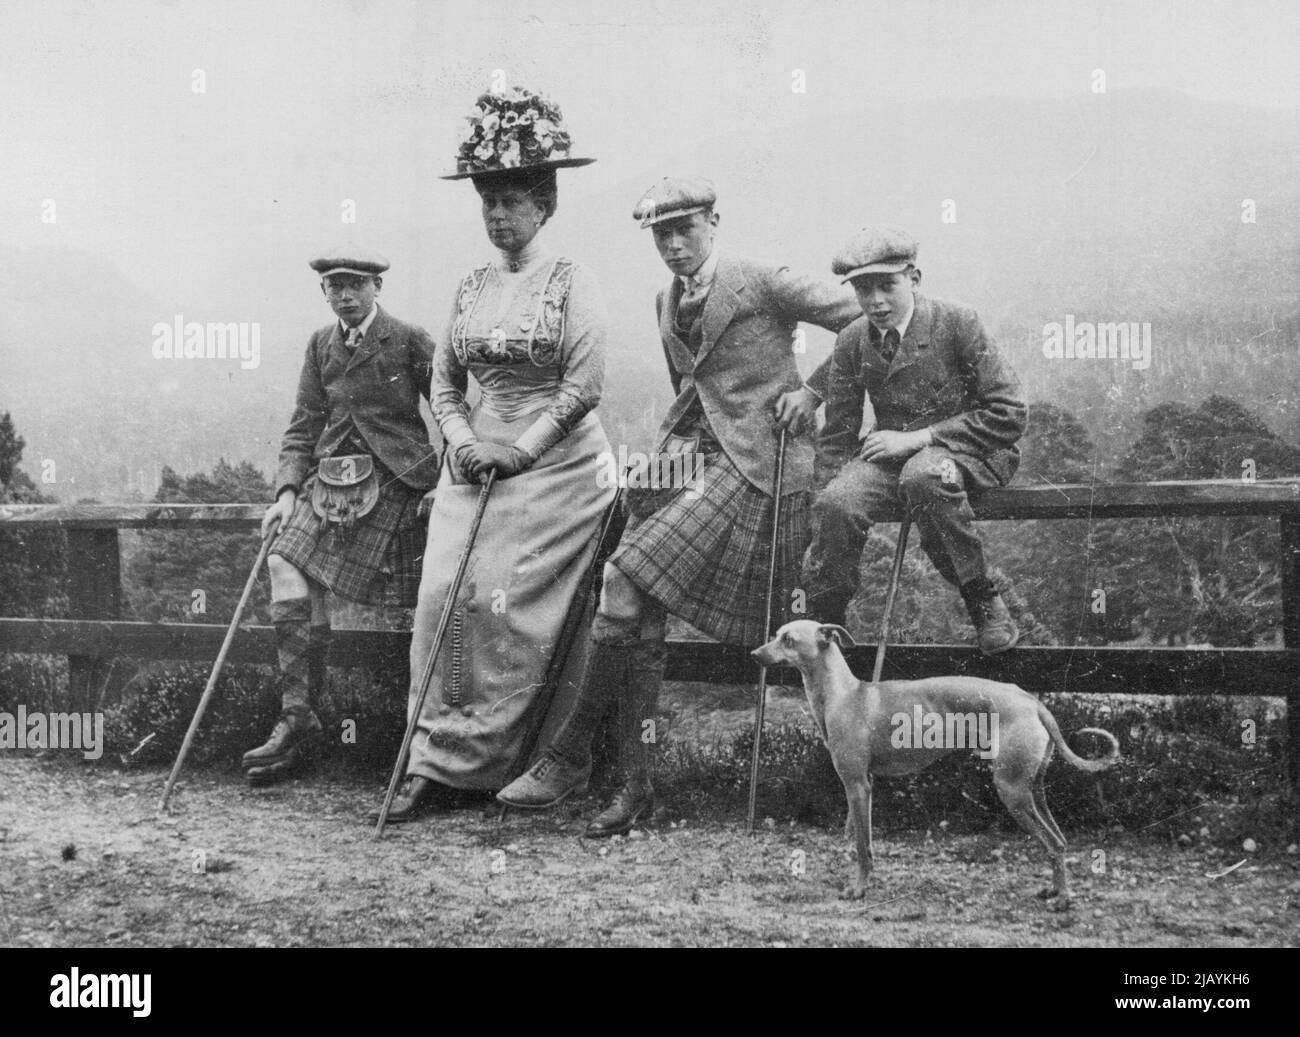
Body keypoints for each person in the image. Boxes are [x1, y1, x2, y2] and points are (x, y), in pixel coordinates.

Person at [498, 176, 860, 835]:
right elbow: (695, 397)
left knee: (623, 575)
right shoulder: (666, 301)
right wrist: (657, 462)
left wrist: (812, 391)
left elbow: (863, 316)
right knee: (633, 603)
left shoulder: (760, 279)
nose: (672, 244)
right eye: (660, 234)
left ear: (714, 221)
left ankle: (570, 752)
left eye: (684, 228)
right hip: (698, 457)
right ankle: (634, 786)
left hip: (764, 464)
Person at [381, 86, 616, 822]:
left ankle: (523, 759)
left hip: (561, 468)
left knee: (505, 607)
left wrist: (521, 450)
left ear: (544, 205)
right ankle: (434, 760)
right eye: (487, 201)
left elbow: (583, 388)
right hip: (477, 459)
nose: (497, 215)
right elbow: (444, 382)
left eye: (512, 200)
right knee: (439, 601)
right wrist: (463, 443)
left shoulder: (574, 281)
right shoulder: (470, 286)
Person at [243, 247, 439, 784]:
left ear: (377, 286)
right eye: (335, 287)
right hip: (326, 484)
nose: (345, 296)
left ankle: (426, 743)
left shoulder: (408, 338)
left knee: (415, 603)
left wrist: (445, 481)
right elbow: (303, 422)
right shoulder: (319, 343)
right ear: (323, 293)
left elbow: (450, 404)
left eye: (355, 285)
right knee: (285, 563)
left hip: (397, 482)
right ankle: (298, 718)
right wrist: (285, 492)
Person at [803, 226, 1027, 654]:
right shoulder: (853, 339)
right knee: (838, 502)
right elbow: (837, 433)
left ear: (915, 279)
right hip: (890, 459)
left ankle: (982, 599)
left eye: (887, 285)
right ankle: (827, 620)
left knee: (924, 474)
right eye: (863, 289)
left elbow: (1010, 412)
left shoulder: (958, 322)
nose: (876, 302)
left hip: (969, 450)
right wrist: (824, 497)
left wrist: (921, 437)